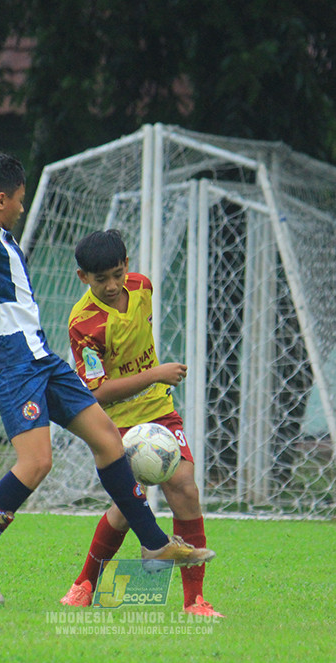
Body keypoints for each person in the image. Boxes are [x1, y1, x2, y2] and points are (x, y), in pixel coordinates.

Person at [0, 153, 214, 605]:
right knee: (36, 463)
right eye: (19, 200)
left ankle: (154, 541)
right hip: (13, 357)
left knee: (107, 439)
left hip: (38, 353)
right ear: (0, 200)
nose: (22, 207)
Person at [59, 229, 224, 618]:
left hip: (157, 410)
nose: (113, 285)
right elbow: (97, 393)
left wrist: (153, 381)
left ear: (127, 266)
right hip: (114, 420)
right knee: (128, 506)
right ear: (83, 277)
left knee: (184, 488)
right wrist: (155, 373)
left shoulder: (142, 287)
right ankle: (84, 584)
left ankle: (194, 602)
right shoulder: (84, 324)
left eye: (118, 274)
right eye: (101, 280)